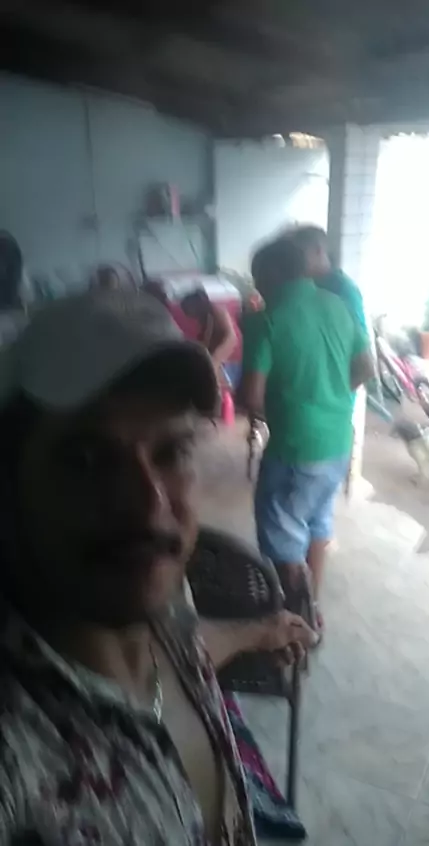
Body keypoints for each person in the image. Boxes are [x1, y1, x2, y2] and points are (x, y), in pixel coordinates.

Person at [0, 289, 314, 844]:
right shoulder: (19, 745)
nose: (149, 505)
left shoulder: (166, 601)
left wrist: (259, 631)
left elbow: (184, 648)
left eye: (172, 451)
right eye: (87, 459)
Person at [240, 238, 374, 636]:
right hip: (337, 443)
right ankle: (312, 609)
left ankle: (295, 621)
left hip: (295, 448)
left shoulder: (266, 321)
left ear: (272, 274)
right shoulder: (338, 305)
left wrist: (289, 412)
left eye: (258, 278)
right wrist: (328, 400)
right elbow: (365, 367)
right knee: (316, 521)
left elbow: (251, 397)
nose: (257, 287)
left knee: (282, 534)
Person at [283, 225, 368, 333]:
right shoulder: (305, 283)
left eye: (300, 253)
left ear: (318, 250)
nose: (296, 259)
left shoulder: (343, 288)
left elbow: (358, 336)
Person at [181, 287, 238, 372]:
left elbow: (230, 337)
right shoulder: (203, 318)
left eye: (188, 309)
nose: (189, 314)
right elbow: (205, 341)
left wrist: (216, 358)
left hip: (228, 350)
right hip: (215, 352)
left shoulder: (217, 310)